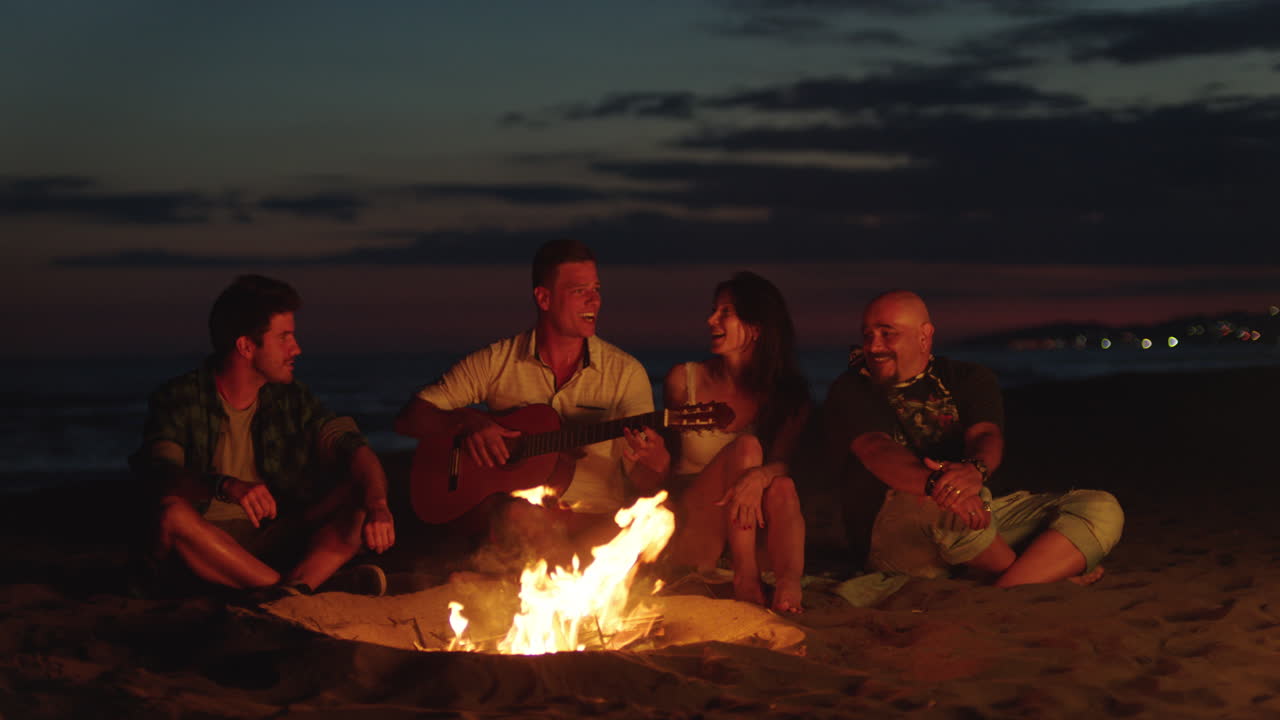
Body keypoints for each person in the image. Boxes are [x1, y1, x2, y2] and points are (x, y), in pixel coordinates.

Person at [394, 239, 669, 564]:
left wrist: (656, 462)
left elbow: (643, 479)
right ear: (544, 298)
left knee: (646, 524)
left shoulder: (626, 373)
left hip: (597, 521)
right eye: (580, 290)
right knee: (518, 515)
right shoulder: (497, 361)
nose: (594, 299)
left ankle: (539, 582)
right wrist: (469, 422)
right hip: (523, 522)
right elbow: (410, 417)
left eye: (596, 288)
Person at [823, 290, 1123, 586]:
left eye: (888, 334)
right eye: (868, 335)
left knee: (1100, 507)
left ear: (924, 336)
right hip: (894, 535)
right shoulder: (851, 388)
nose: (874, 346)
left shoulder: (967, 377)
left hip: (975, 518)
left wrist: (974, 470)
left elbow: (985, 434)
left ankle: (1009, 583)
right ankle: (1041, 578)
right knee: (937, 503)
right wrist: (938, 486)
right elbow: (876, 449)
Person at [131, 274, 395, 598]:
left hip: (274, 536)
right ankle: (295, 592)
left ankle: (289, 589)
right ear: (246, 346)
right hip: (205, 543)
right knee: (171, 512)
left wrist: (379, 505)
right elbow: (162, 476)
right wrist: (226, 485)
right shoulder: (180, 398)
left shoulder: (291, 398)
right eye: (284, 338)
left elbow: (352, 446)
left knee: (362, 499)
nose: (295, 348)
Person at [663, 271, 810, 613]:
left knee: (782, 485)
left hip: (752, 522)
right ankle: (745, 577)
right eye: (715, 310)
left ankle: (789, 586)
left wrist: (755, 478)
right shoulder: (684, 380)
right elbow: (667, 463)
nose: (710, 319)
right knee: (747, 449)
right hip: (700, 524)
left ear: (756, 328)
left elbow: (784, 460)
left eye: (725, 312)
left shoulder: (788, 395)